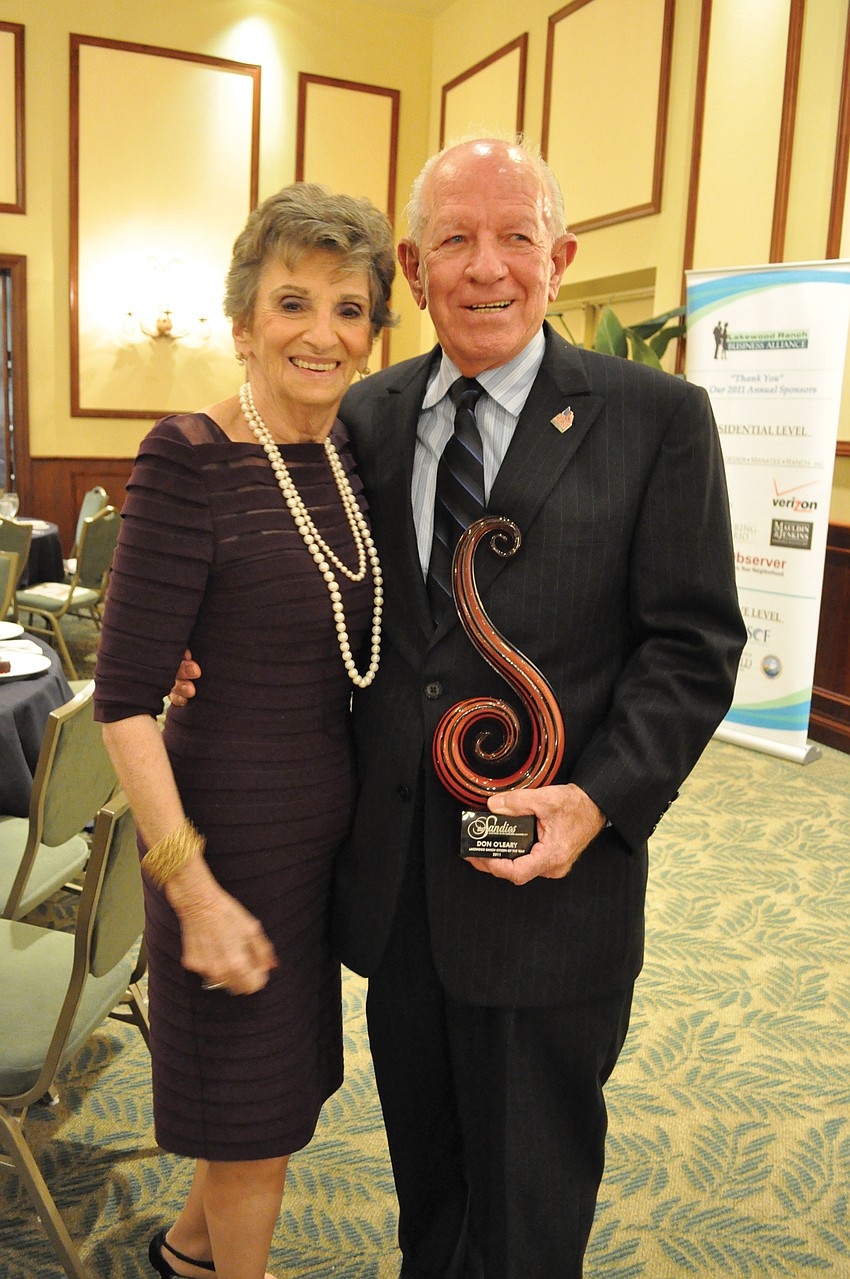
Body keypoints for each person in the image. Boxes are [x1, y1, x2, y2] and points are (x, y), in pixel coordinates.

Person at [174, 137, 746, 1278]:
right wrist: (201, 637)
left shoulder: (656, 417)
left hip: (552, 891)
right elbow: (302, 568)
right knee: (427, 1189)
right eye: (455, 240)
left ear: (559, 259)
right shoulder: (363, 415)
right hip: (398, 892)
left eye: (516, 237)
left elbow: (692, 649)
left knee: (529, 1209)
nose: (487, 267)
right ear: (413, 265)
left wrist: (597, 801)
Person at [95, 183, 395, 1279]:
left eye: (350, 308)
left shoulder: (348, 453)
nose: (322, 332)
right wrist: (193, 888)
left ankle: (184, 1253)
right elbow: (122, 700)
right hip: (224, 845)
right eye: (292, 302)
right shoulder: (189, 456)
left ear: (373, 331)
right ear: (242, 322)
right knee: (254, 1125)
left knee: (269, 1101)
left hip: (312, 852)